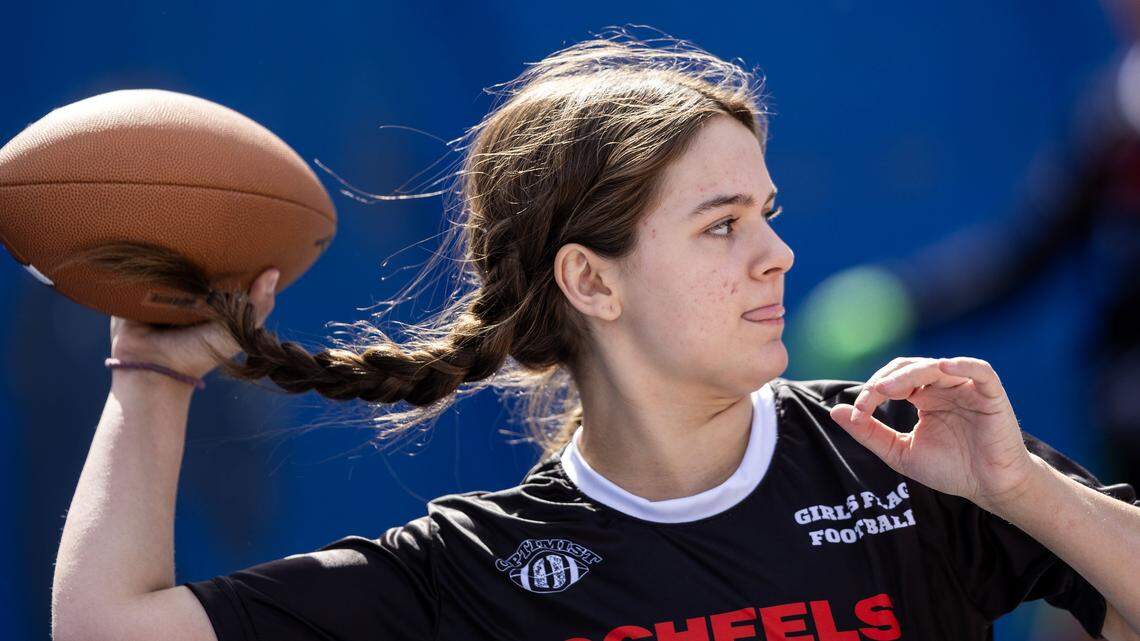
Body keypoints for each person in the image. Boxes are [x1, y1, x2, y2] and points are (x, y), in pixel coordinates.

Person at [51, 30, 1140, 641]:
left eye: (768, 213)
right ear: (590, 280)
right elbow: (108, 628)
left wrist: (1024, 490)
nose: (777, 253)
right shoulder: (479, 571)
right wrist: (150, 374)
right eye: (722, 224)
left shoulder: (902, 458)